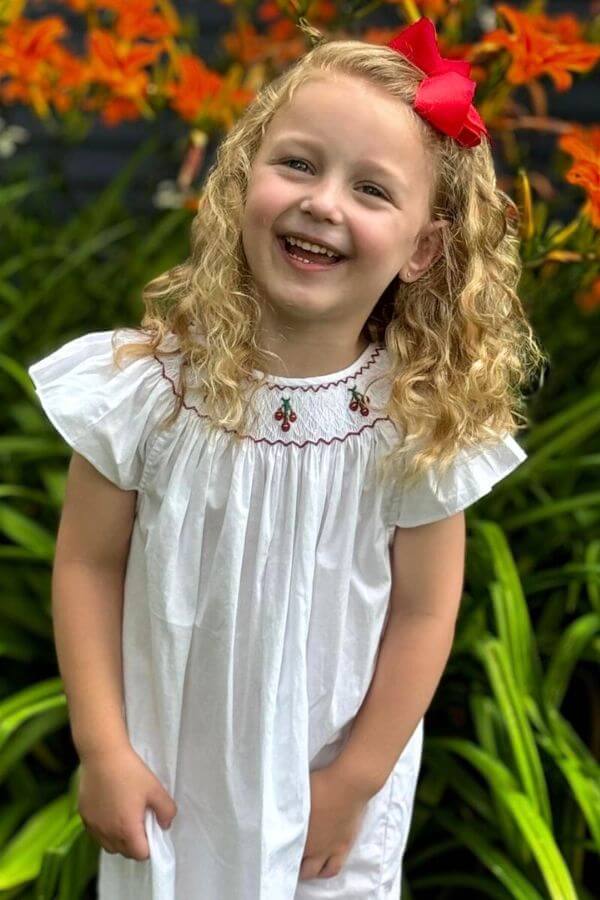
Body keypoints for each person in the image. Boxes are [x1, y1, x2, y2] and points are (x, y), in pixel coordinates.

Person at [27, 16, 544, 900]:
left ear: (425, 247)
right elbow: (87, 562)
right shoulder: (150, 393)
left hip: (328, 793)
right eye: (299, 164)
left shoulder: (413, 423)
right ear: (243, 179)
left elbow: (424, 614)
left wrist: (356, 782)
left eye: (373, 190)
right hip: (170, 777)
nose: (323, 201)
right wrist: (102, 748)